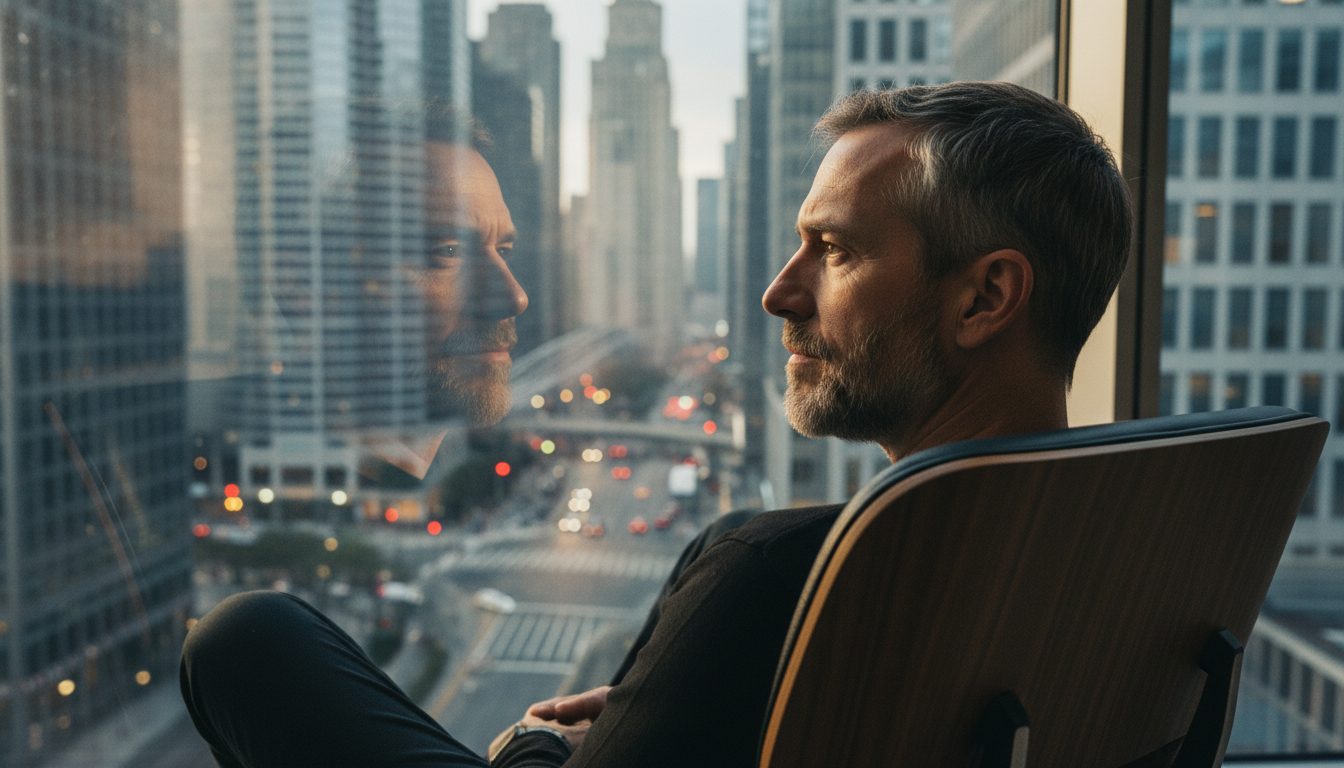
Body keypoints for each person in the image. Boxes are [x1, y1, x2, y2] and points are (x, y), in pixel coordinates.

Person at [180, 81, 1133, 768]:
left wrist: (541, 756)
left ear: (986, 297)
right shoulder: (1137, 535)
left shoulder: (776, 576)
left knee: (246, 640)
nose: (777, 293)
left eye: (833, 251)